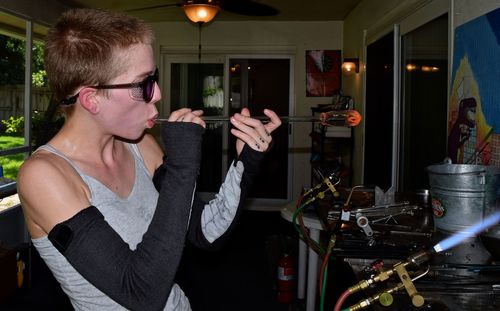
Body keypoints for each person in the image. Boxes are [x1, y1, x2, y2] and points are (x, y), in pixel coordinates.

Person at [17, 8, 281, 311]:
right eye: (142, 84)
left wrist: (245, 162)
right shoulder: (44, 175)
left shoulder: (140, 145)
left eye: (153, 79)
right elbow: (141, 294)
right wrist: (182, 166)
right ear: (92, 99)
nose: (156, 93)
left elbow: (205, 233)